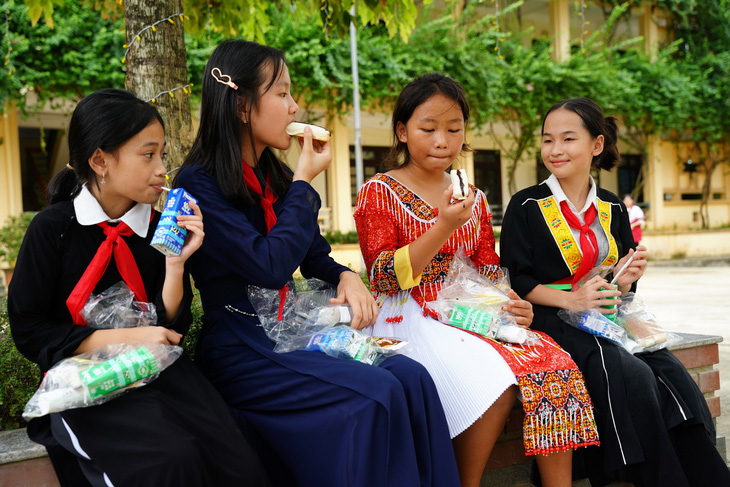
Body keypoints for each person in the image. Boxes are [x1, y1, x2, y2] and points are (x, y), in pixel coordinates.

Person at [174, 40, 460, 487]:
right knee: (380, 392)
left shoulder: (277, 176)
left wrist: (346, 274)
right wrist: (305, 181)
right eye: (282, 94)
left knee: (412, 376)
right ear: (243, 106)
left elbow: (313, 257)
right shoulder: (198, 182)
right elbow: (267, 265)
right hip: (241, 344)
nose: (295, 107)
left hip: (291, 329)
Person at [7, 89, 270, 487]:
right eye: (148, 155)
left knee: (238, 463)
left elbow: (170, 325)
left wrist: (176, 264)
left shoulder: (159, 227)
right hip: (86, 384)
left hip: (162, 374)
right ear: (100, 161)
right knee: (167, 463)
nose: (162, 168)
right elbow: (29, 329)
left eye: (162, 154)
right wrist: (131, 336)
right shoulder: (54, 229)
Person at [353, 74, 599, 487]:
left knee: (557, 364)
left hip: (471, 312)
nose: (442, 141)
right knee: (497, 381)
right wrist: (442, 226)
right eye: (427, 129)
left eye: (454, 129)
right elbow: (383, 277)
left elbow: (488, 269)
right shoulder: (380, 192)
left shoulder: (474, 196)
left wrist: (511, 302)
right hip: (409, 314)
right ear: (401, 131)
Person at [500, 97, 730, 487]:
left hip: (605, 316)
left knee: (671, 372)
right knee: (629, 372)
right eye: (548, 140)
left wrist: (625, 279)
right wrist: (571, 299)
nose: (555, 150)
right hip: (550, 318)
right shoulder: (527, 204)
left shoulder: (611, 206)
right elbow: (517, 280)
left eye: (568, 139)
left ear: (596, 145)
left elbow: (620, 279)